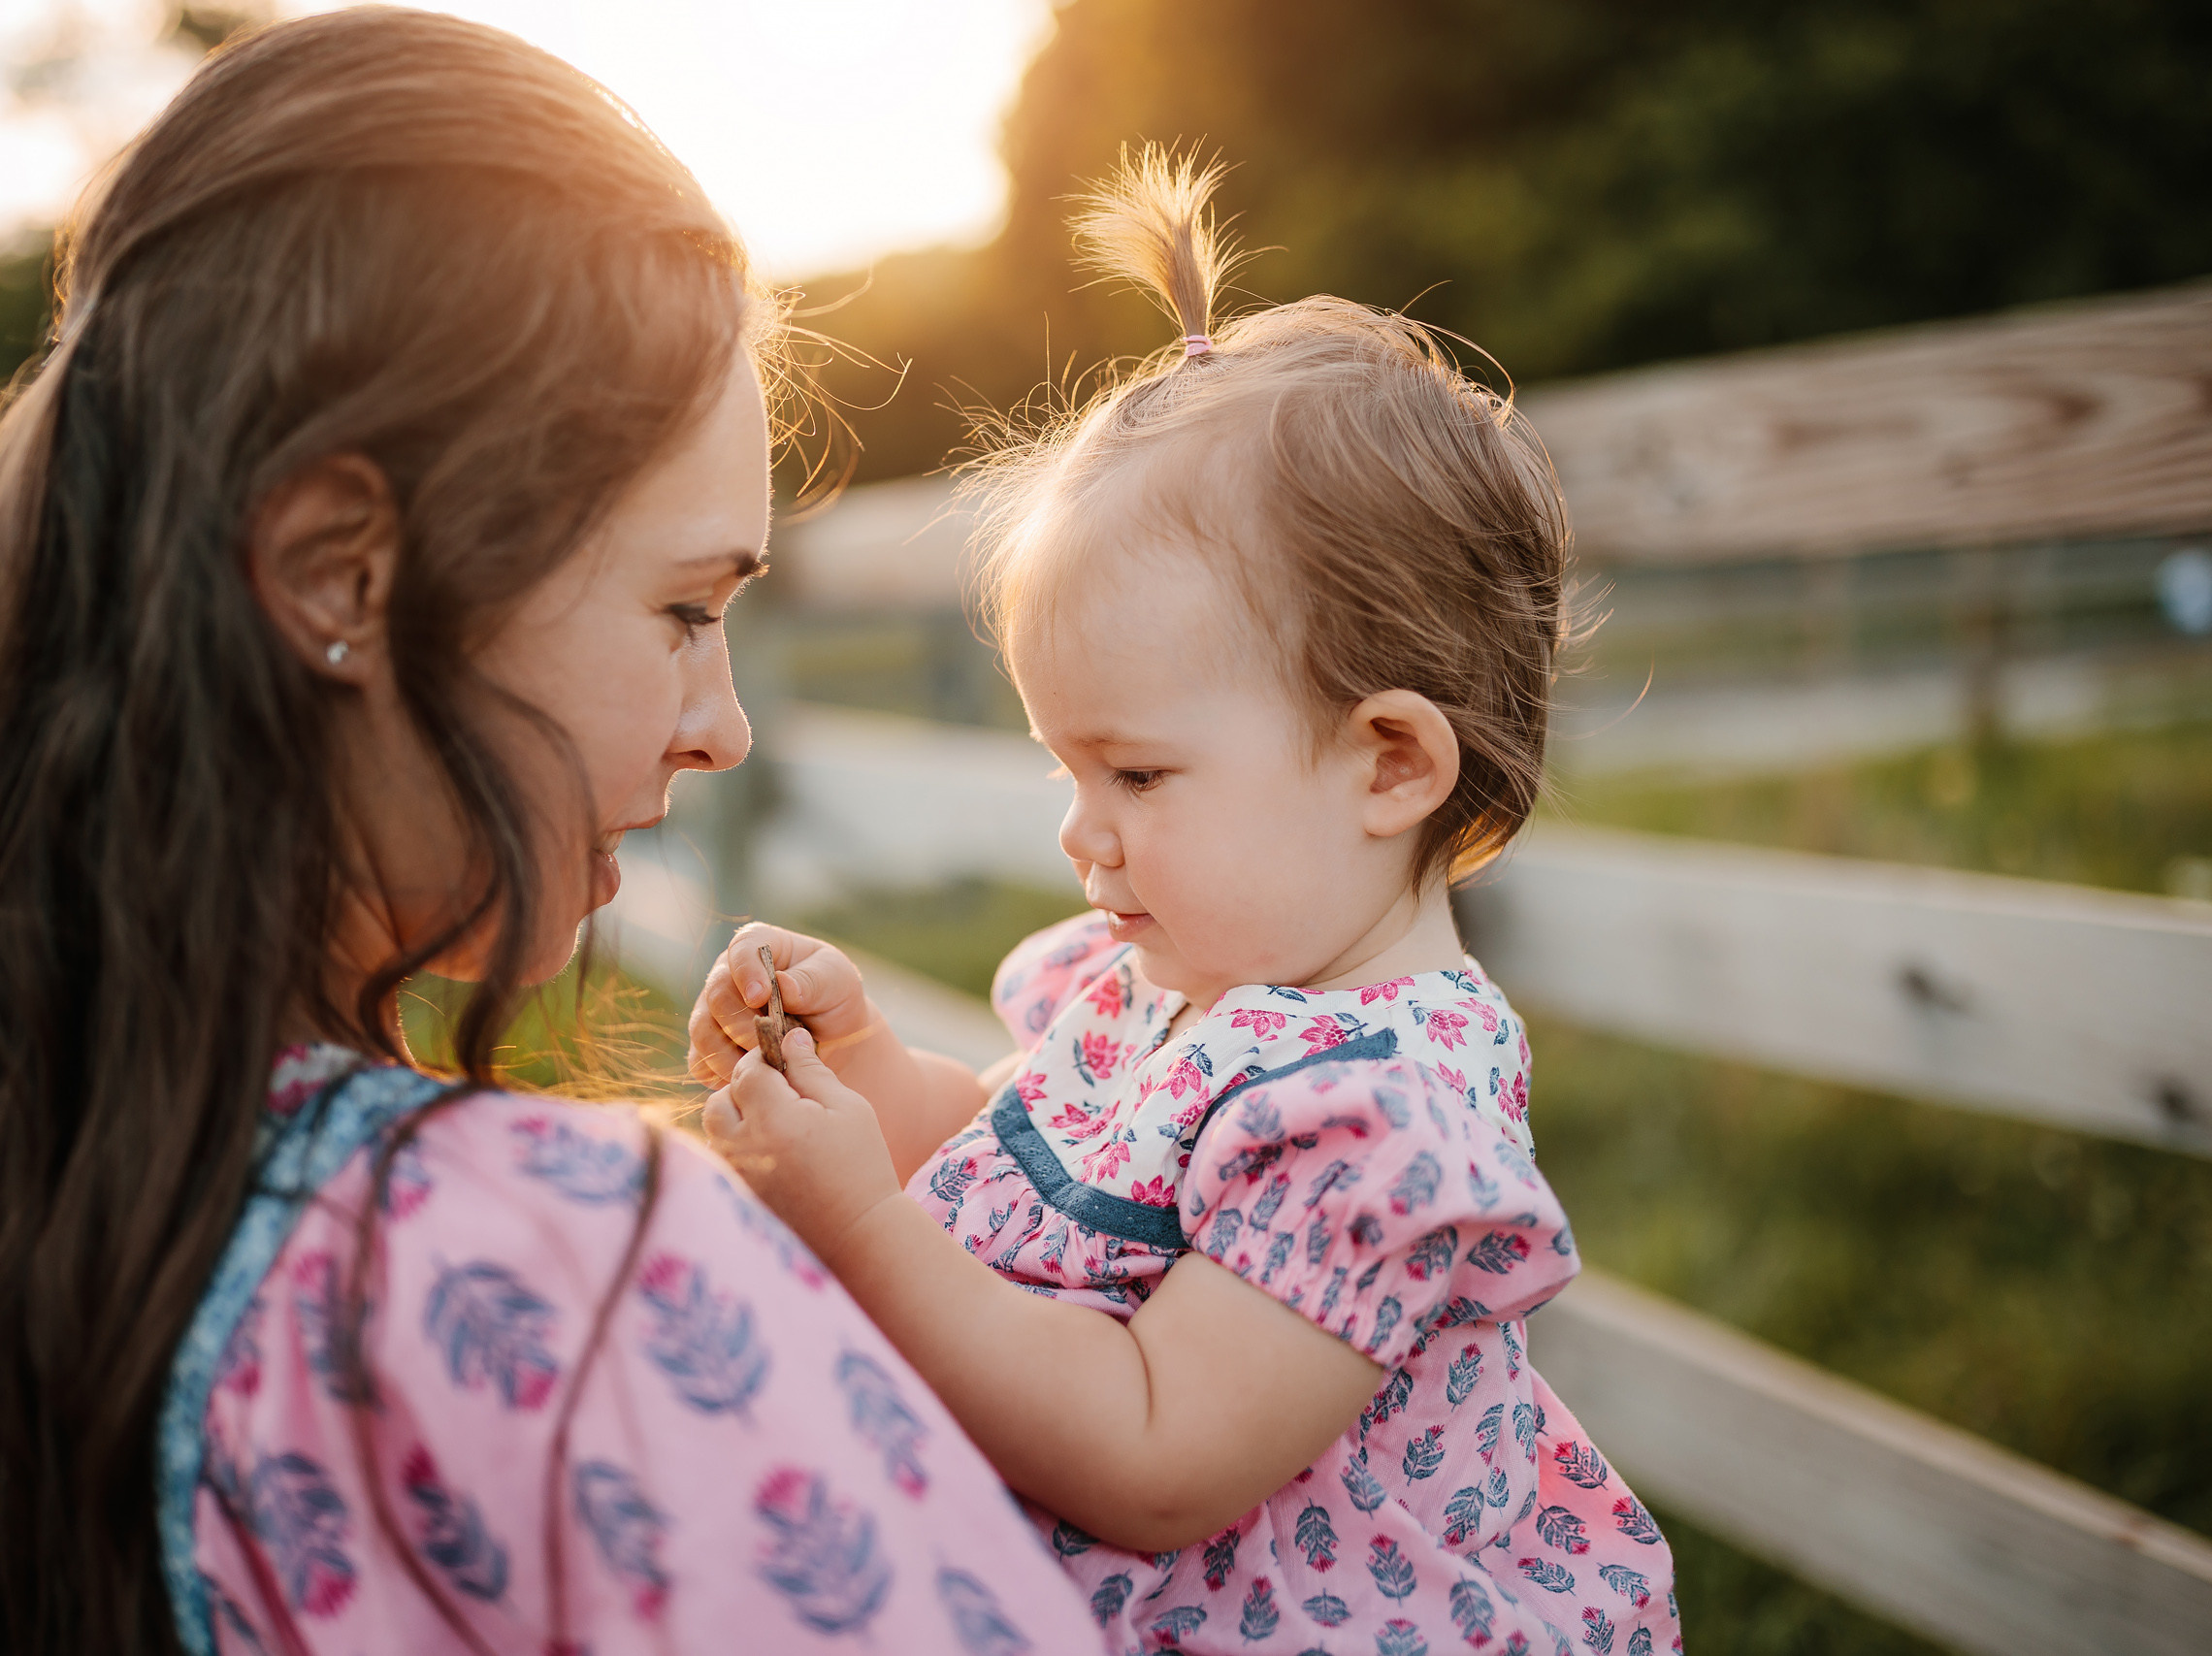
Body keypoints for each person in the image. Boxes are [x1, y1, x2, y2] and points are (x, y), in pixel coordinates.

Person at [0, 12, 1109, 1655]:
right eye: (683, 606)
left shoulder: (50, 1190)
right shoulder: (564, 1276)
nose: (726, 723)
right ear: (345, 574)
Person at [694, 147, 1682, 1655]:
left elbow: (1153, 1452)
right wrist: (869, 1079)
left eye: (1140, 777)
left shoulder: (1382, 1123)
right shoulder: (1175, 979)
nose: (1085, 837)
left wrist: (858, 1224)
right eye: (1065, 770)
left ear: (1390, 763)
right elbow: (1050, 1207)